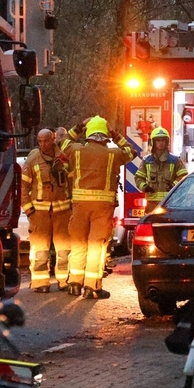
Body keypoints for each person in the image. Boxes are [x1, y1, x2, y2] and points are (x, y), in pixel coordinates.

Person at [61, 116, 134, 298]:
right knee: (96, 246)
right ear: (105, 135)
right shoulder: (113, 154)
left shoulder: (76, 150)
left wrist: (79, 125)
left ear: (89, 134)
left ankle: (74, 284)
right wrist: (115, 133)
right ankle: (91, 287)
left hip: (79, 207)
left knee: (78, 244)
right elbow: (131, 151)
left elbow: (64, 143)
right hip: (102, 208)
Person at [21, 128, 71, 293]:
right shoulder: (33, 159)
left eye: (46, 141)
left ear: (53, 139)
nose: (43, 144)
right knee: (40, 249)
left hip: (62, 212)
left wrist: (72, 206)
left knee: (64, 249)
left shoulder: (63, 157)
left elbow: (72, 182)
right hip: (40, 213)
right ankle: (40, 282)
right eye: (40, 141)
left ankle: (64, 280)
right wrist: (29, 211)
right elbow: (23, 186)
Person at [134, 127, 188, 212]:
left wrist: (173, 185)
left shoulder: (175, 160)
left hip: (170, 202)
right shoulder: (147, 160)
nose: (161, 143)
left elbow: (183, 176)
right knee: (151, 220)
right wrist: (144, 187)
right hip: (151, 203)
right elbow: (138, 178)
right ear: (153, 142)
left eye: (163, 140)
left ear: (167, 142)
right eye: (158, 140)